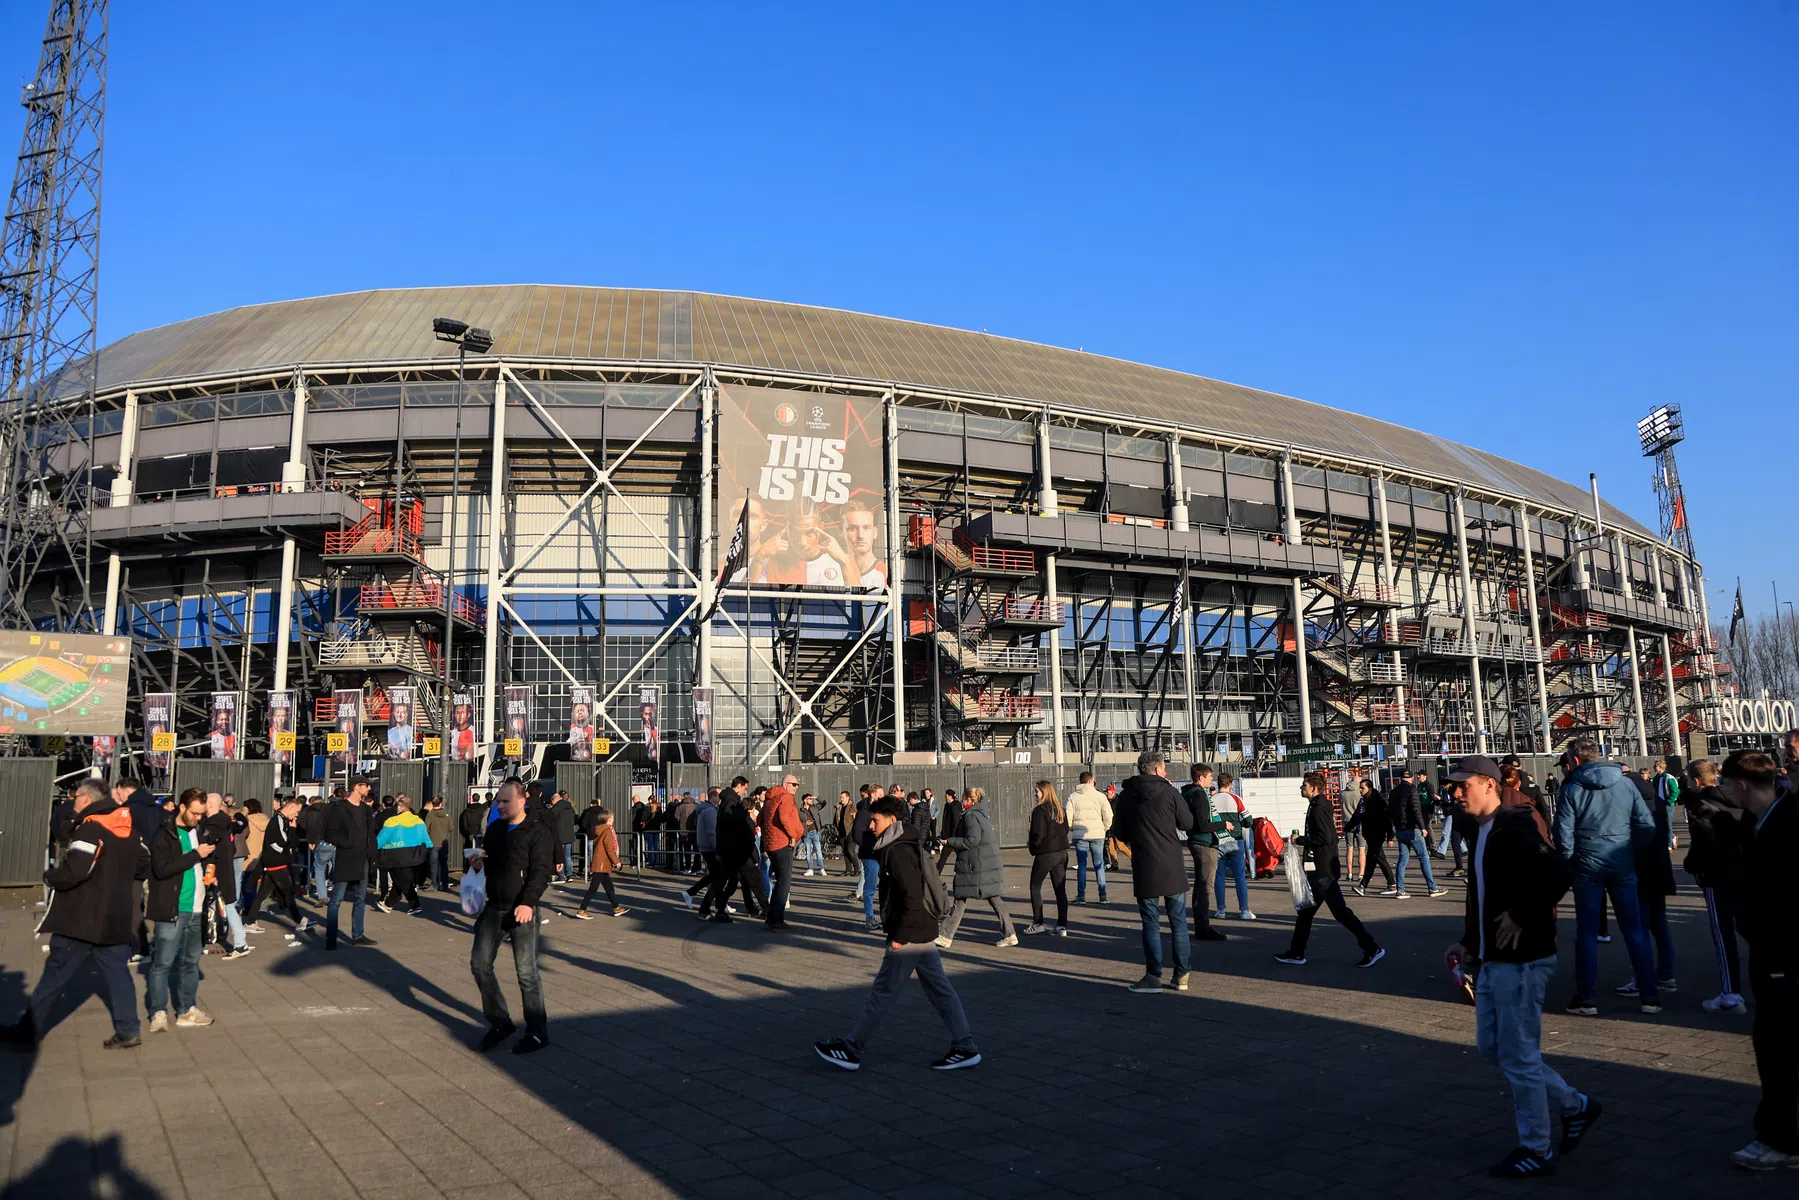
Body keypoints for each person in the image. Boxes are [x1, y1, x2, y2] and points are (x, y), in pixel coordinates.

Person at [1442, 755, 1598, 1179]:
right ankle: (1574, 1104)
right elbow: (1482, 897)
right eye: (1454, 787)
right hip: (1494, 958)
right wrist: (1469, 941)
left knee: (1520, 1055)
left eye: (1463, 785)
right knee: (1495, 1047)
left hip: (1523, 960)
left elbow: (1558, 874)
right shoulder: (1481, 832)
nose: (1455, 793)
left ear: (1489, 785)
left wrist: (1522, 915)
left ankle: (1537, 1148)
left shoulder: (1515, 825)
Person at [815, 795, 979, 1071]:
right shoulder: (902, 843)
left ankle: (852, 1049)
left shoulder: (897, 851)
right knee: (941, 991)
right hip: (922, 930)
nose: (870, 826)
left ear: (891, 820)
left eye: (875, 821)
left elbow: (910, 896)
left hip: (911, 934)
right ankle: (965, 1046)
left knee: (883, 991)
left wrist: (899, 937)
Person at [2, 780, 148, 1049]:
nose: (73, 801)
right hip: (116, 917)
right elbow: (143, 864)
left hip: (82, 918)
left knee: (56, 974)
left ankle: (27, 1033)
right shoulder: (128, 828)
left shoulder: (90, 828)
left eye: (75, 797)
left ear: (86, 799)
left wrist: (51, 877)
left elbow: (76, 871)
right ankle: (129, 1030)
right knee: (118, 974)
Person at [1711, 750, 1799, 1170]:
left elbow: (1769, 892)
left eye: (1724, 783)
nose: (1719, 789)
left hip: (1784, 952)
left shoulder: (1786, 824)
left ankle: (1781, 1140)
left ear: (1741, 785)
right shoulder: (1756, 823)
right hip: (1772, 950)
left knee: (1778, 1047)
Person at [1553, 738, 1660, 1016]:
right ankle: (1649, 995)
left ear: (1575, 760)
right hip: (1622, 862)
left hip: (1587, 864)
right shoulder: (1625, 783)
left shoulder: (1571, 788)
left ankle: (1586, 997)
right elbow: (1646, 825)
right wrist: (1630, 851)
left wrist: (1571, 858)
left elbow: (1563, 835)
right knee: (1634, 929)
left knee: (1587, 931)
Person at [468, 780, 553, 1054]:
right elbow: (492, 859)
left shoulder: (537, 831)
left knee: (526, 972)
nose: (500, 806)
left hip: (522, 909)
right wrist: (479, 861)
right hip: (494, 907)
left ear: (522, 800)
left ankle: (537, 1031)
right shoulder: (495, 829)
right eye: (498, 802)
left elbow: (541, 872)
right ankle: (500, 1022)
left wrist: (529, 903)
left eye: (505, 801)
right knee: (480, 965)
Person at [1277, 771, 1384, 968]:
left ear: (1313, 788)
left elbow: (1326, 838)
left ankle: (1371, 947)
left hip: (1323, 869)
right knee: (1306, 912)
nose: (1301, 788)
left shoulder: (1319, 808)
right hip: (1320, 868)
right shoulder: (1317, 806)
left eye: (1304, 786)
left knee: (1340, 913)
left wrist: (1300, 840)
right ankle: (1296, 952)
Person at [1112, 751, 1195, 992]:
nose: (1166, 772)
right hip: (1172, 863)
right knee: (1178, 922)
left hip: (1145, 863)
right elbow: (1187, 823)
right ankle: (1181, 975)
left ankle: (1153, 976)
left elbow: (1120, 833)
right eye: (1165, 768)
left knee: (1150, 922)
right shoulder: (1170, 792)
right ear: (1158, 770)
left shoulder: (1127, 795)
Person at [144, 789, 220, 1031]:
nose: (198, 818)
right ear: (182, 807)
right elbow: (162, 869)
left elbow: (204, 861)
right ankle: (158, 1012)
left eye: (201, 814)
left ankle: (187, 1010)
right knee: (162, 963)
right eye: (195, 813)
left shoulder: (199, 831)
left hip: (198, 907)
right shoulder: (164, 835)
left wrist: (209, 871)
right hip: (173, 908)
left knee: (190, 962)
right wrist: (195, 854)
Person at [1681, 759, 1750, 1014]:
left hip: (1716, 875)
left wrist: (1691, 864)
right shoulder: (1737, 799)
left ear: (1696, 781)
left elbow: (1704, 842)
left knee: (1722, 934)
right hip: (1743, 872)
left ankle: (1731, 993)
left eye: (1689, 780)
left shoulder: (1702, 806)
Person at [1621, 766, 1678, 999]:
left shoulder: (1633, 808)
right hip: (1660, 872)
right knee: (1660, 925)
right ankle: (1666, 975)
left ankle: (1642, 978)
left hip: (1641, 873)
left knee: (1640, 927)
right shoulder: (1657, 801)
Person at [935, 788, 1016, 949]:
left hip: (974, 865)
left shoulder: (970, 817)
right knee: (992, 897)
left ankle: (945, 935)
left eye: (964, 799)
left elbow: (972, 839)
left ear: (968, 800)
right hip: (984, 865)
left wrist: (950, 841)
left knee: (960, 897)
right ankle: (1009, 934)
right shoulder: (979, 814)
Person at [322, 776, 380, 951]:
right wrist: (347, 842)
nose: (368, 789)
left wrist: (373, 854)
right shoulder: (339, 808)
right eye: (366, 786)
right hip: (346, 858)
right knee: (336, 899)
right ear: (356, 787)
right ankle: (331, 938)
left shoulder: (365, 809)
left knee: (361, 897)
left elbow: (371, 834)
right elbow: (329, 834)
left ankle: (358, 935)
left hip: (362, 859)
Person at [702, 786, 767, 922]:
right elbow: (749, 842)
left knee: (727, 884)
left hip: (729, 854)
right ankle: (767, 912)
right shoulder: (742, 817)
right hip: (741, 857)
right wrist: (755, 858)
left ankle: (717, 910)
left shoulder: (725, 809)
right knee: (756, 885)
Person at [251, 795, 312, 939]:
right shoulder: (277, 820)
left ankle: (250, 921)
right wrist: (292, 830)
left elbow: (289, 842)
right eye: (296, 811)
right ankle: (299, 920)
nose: (296, 815)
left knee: (263, 893)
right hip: (276, 862)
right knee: (289, 891)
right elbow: (284, 841)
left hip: (277, 861)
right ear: (290, 807)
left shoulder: (282, 820)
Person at [1179, 765, 1228, 941]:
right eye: (1209, 777)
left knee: (1200, 884)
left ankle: (1200, 923)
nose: (1211, 780)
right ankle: (1203, 926)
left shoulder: (1188, 792)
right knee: (1206, 886)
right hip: (1204, 842)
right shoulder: (1199, 795)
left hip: (1195, 840)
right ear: (1200, 778)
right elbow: (1203, 824)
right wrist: (1223, 825)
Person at [203, 793, 254, 960]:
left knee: (224, 905)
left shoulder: (212, 825)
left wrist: (211, 871)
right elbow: (241, 825)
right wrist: (239, 815)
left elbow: (209, 850)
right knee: (230, 904)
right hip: (225, 868)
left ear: (210, 804)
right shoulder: (226, 823)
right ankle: (240, 943)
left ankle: (239, 943)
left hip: (217, 870)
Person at [1390, 769, 1447, 899]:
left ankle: (1400, 890)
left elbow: (1391, 811)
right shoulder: (1412, 790)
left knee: (1403, 859)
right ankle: (1432, 888)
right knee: (1424, 858)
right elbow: (1416, 810)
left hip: (1400, 829)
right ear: (1411, 778)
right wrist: (1423, 827)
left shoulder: (1394, 792)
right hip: (1413, 828)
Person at [1023, 780, 1070, 936]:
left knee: (1035, 887)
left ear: (1045, 792)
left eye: (1037, 791)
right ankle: (1062, 925)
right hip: (1062, 852)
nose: (1035, 793)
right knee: (1060, 889)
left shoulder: (1040, 810)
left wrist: (1033, 847)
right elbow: (1066, 829)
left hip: (1046, 853)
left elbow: (1038, 833)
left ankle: (1038, 923)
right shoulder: (1060, 809)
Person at [759, 772, 805, 930]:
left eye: (798, 784)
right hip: (782, 843)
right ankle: (777, 920)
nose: (796, 787)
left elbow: (759, 820)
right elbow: (784, 817)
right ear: (785, 784)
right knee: (784, 883)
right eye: (794, 784)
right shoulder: (785, 797)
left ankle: (771, 918)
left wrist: (767, 835)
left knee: (779, 882)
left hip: (771, 844)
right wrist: (793, 835)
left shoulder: (770, 799)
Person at [375, 796, 432, 915]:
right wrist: (428, 849)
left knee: (403, 881)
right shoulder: (419, 821)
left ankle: (415, 904)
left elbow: (382, 839)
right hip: (414, 855)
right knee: (400, 881)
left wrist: (373, 849)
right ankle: (388, 904)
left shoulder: (392, 821)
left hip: (395, 855)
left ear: (401, 807)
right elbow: (426, 839)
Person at [1210, 772, 1254, 920]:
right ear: (1230, 784)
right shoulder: (1235, 798)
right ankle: (1244, 910)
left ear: (1218, 783)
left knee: (1219, 876)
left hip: (1217, 841)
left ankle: (1221, 910)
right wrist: (1238, 825)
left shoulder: (1211, 799)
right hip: (1235, 841)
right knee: (1239, 877)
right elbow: (1248, 820)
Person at [570, 808, 629, 919]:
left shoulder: (600, 829)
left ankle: (615, 907)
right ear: (609, 820)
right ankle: (582, 909)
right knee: (593, 889)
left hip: (601, 863)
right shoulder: (607, 831)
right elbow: (609, 849)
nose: (613, 819)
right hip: (601, 864)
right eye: (612, 818)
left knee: (609, 887)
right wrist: (617, 862)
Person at [1065, 771, 1113, 904]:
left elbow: (1068, 817)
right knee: (1099, 864)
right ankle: (1103, 895)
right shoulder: (1100, 796)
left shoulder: (1073, 797)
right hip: (1097, 834)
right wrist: (1104, 828)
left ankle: (1081, 895)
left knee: (1082, 865)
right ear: (1091, 781)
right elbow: (1108, 815)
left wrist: (1072, 828)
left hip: (1080, 835)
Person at [1348, 777, 1394, 896]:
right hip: (1369, 834)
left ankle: (1363, 885)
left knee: (1373, 860)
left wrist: (1390, 836)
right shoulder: (1363, 800)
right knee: (1377, 859)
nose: (1360, 790)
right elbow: (1356, 815)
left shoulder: (1377, 801)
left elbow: (1387, 818)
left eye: (1362, 788)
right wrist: (1347, 828)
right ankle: (1391, 884)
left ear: (1369, 788)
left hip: (1377, 834)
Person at [684, 785, 726, 910]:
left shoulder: (708, 809)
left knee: (714, 875)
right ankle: (716, 903)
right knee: (717, 876)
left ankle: (692, 893)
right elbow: (712, 832)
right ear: (713, 796)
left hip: (706, 846)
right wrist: (717, 849)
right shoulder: (709, 811)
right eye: (719, 795)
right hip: (709, 848)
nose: (721, 798)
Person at [423, 796, 452, 892]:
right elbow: (451, 828)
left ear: (433, 804)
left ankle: (434, 884)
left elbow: (426, 828)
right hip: (444, 842)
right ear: (441, 804)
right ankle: (444, 884)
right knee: (443, 864)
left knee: (434, 864)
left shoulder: (430, 815)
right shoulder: (447, 815)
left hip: (433, 842)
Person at [548, 790, 578, 883]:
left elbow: (549, 819)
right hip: (569, 835)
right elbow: (575, 819)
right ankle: (569, 875)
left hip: (559, 836)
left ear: (554, 800)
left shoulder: (555, 808)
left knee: (559, 856)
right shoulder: (570, 807)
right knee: (568, 856)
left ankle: (561, 875)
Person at [798, 792, 827, 876]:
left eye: (811, 799)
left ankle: (821, 868)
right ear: (804, 800)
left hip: (815, 832)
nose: (811, 800)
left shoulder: (814, 807)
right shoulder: (800, 811)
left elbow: (824, 803)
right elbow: (797, 822)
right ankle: (810, 869)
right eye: (809, 799)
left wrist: (816, 797)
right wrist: (805, 824)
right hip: (806, 833)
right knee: (808, 852)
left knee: (818, 851)